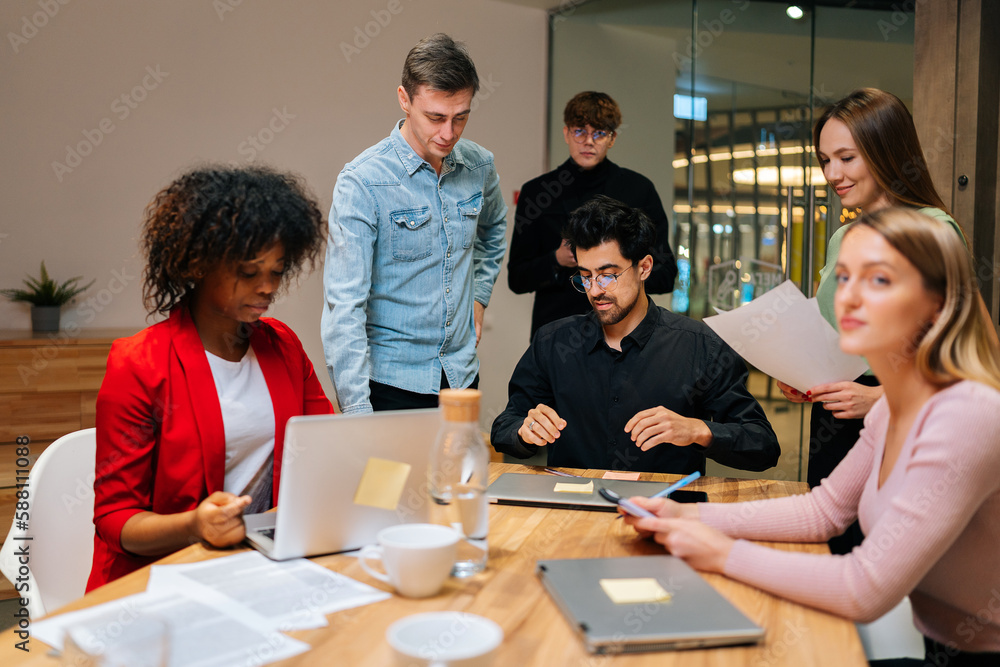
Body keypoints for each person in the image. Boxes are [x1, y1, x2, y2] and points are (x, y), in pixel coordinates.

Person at [625, 208, 1000, 663]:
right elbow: (824, 511)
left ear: (935, 301)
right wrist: (685, 518)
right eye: (843, 277)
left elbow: (865, 588)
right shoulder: (898, 404)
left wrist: (721, 554)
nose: (850, 297)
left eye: (878, 280)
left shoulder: (966, 414)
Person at [87, 165, 333, 590]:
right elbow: (115, 520)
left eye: (277, 271)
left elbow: (326, 452)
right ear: (198, 265)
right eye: (249, 271)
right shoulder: (139, 363)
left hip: (261, 567)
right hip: (159, 583)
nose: (267, 287)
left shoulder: (283, 346)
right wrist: (194, 525)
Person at [776, 88, 980, 553]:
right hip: (836, 422)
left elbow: (965, 359)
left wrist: (880, 398)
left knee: (889, 567)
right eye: (825, 160)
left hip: (902, 420)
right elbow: (837, 336)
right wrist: (804, 371)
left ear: (886, 150)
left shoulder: (933, 230)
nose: (833, 174)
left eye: (847, 157)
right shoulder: (844, 235)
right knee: (830, 545)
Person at [491, 196, 779, 474]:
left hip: (665, 513)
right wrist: (526, 430)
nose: (595, 290)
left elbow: (762, 445)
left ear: (644, 267)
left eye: (607, 275)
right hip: (574, 511)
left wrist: (697, 430)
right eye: (585, 276)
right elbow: (505, 427)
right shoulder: (553, 342)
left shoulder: (701, 345)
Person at [322, 34, 507, 413]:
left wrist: (479, 294)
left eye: (461, 117)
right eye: (435, 117)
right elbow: (344, 308)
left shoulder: (479, 166)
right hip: (390, 383)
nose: (448, 133)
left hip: (460, 376)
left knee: (459, 474)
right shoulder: (363, 182)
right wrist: (357, 412)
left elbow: (494, 231)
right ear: (404, 99)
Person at [507, 91, 677, 339]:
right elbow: (517, 278)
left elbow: (666, 274)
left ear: (612, 138)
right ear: (566, 133)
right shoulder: (537, 193)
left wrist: (618, 273)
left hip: (625, 335)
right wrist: (557, 259)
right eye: (580, 132)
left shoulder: (638, 190)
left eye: (599, 133)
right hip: (558, 335)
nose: (589, 141)